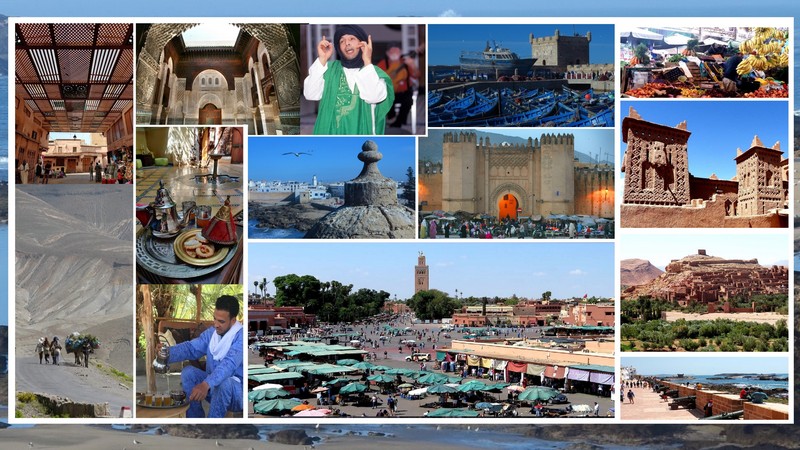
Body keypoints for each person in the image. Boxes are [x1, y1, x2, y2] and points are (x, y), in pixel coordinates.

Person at [303, 25, 395, 135]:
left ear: (362, 44)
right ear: (339, 48)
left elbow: (373, 97)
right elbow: (310, 94)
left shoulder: (375, 73)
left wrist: (367, 61)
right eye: (342, 41)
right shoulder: (329, 69)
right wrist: (322, 59)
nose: (347, 43)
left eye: (352, 39)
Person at [163, 295, 244, 418]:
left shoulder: (241, 337)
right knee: (188, 372)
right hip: (212, 389)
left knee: (224, 383)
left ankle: (210, 427)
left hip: (236, 395)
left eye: (221, 321)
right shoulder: (212, 333)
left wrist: (206, 384)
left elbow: (229, 364)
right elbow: (191, 348)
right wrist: (167, 352)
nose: (216, 324)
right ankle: (195, 421)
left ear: (233, 321)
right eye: (215, 319)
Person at [377, 42, 419, 128]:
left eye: (397, 51)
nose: (395, 53)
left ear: (400, 52)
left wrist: (413, 65)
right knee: (384, 97)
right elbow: (375, 77)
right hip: (388, 93)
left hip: (404, 93)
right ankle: (390, 116)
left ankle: (398, 122)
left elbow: (417, 75)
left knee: (408, 100)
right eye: (392, 51)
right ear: (387, 53)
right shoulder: (383, 64)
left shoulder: (406, 63)